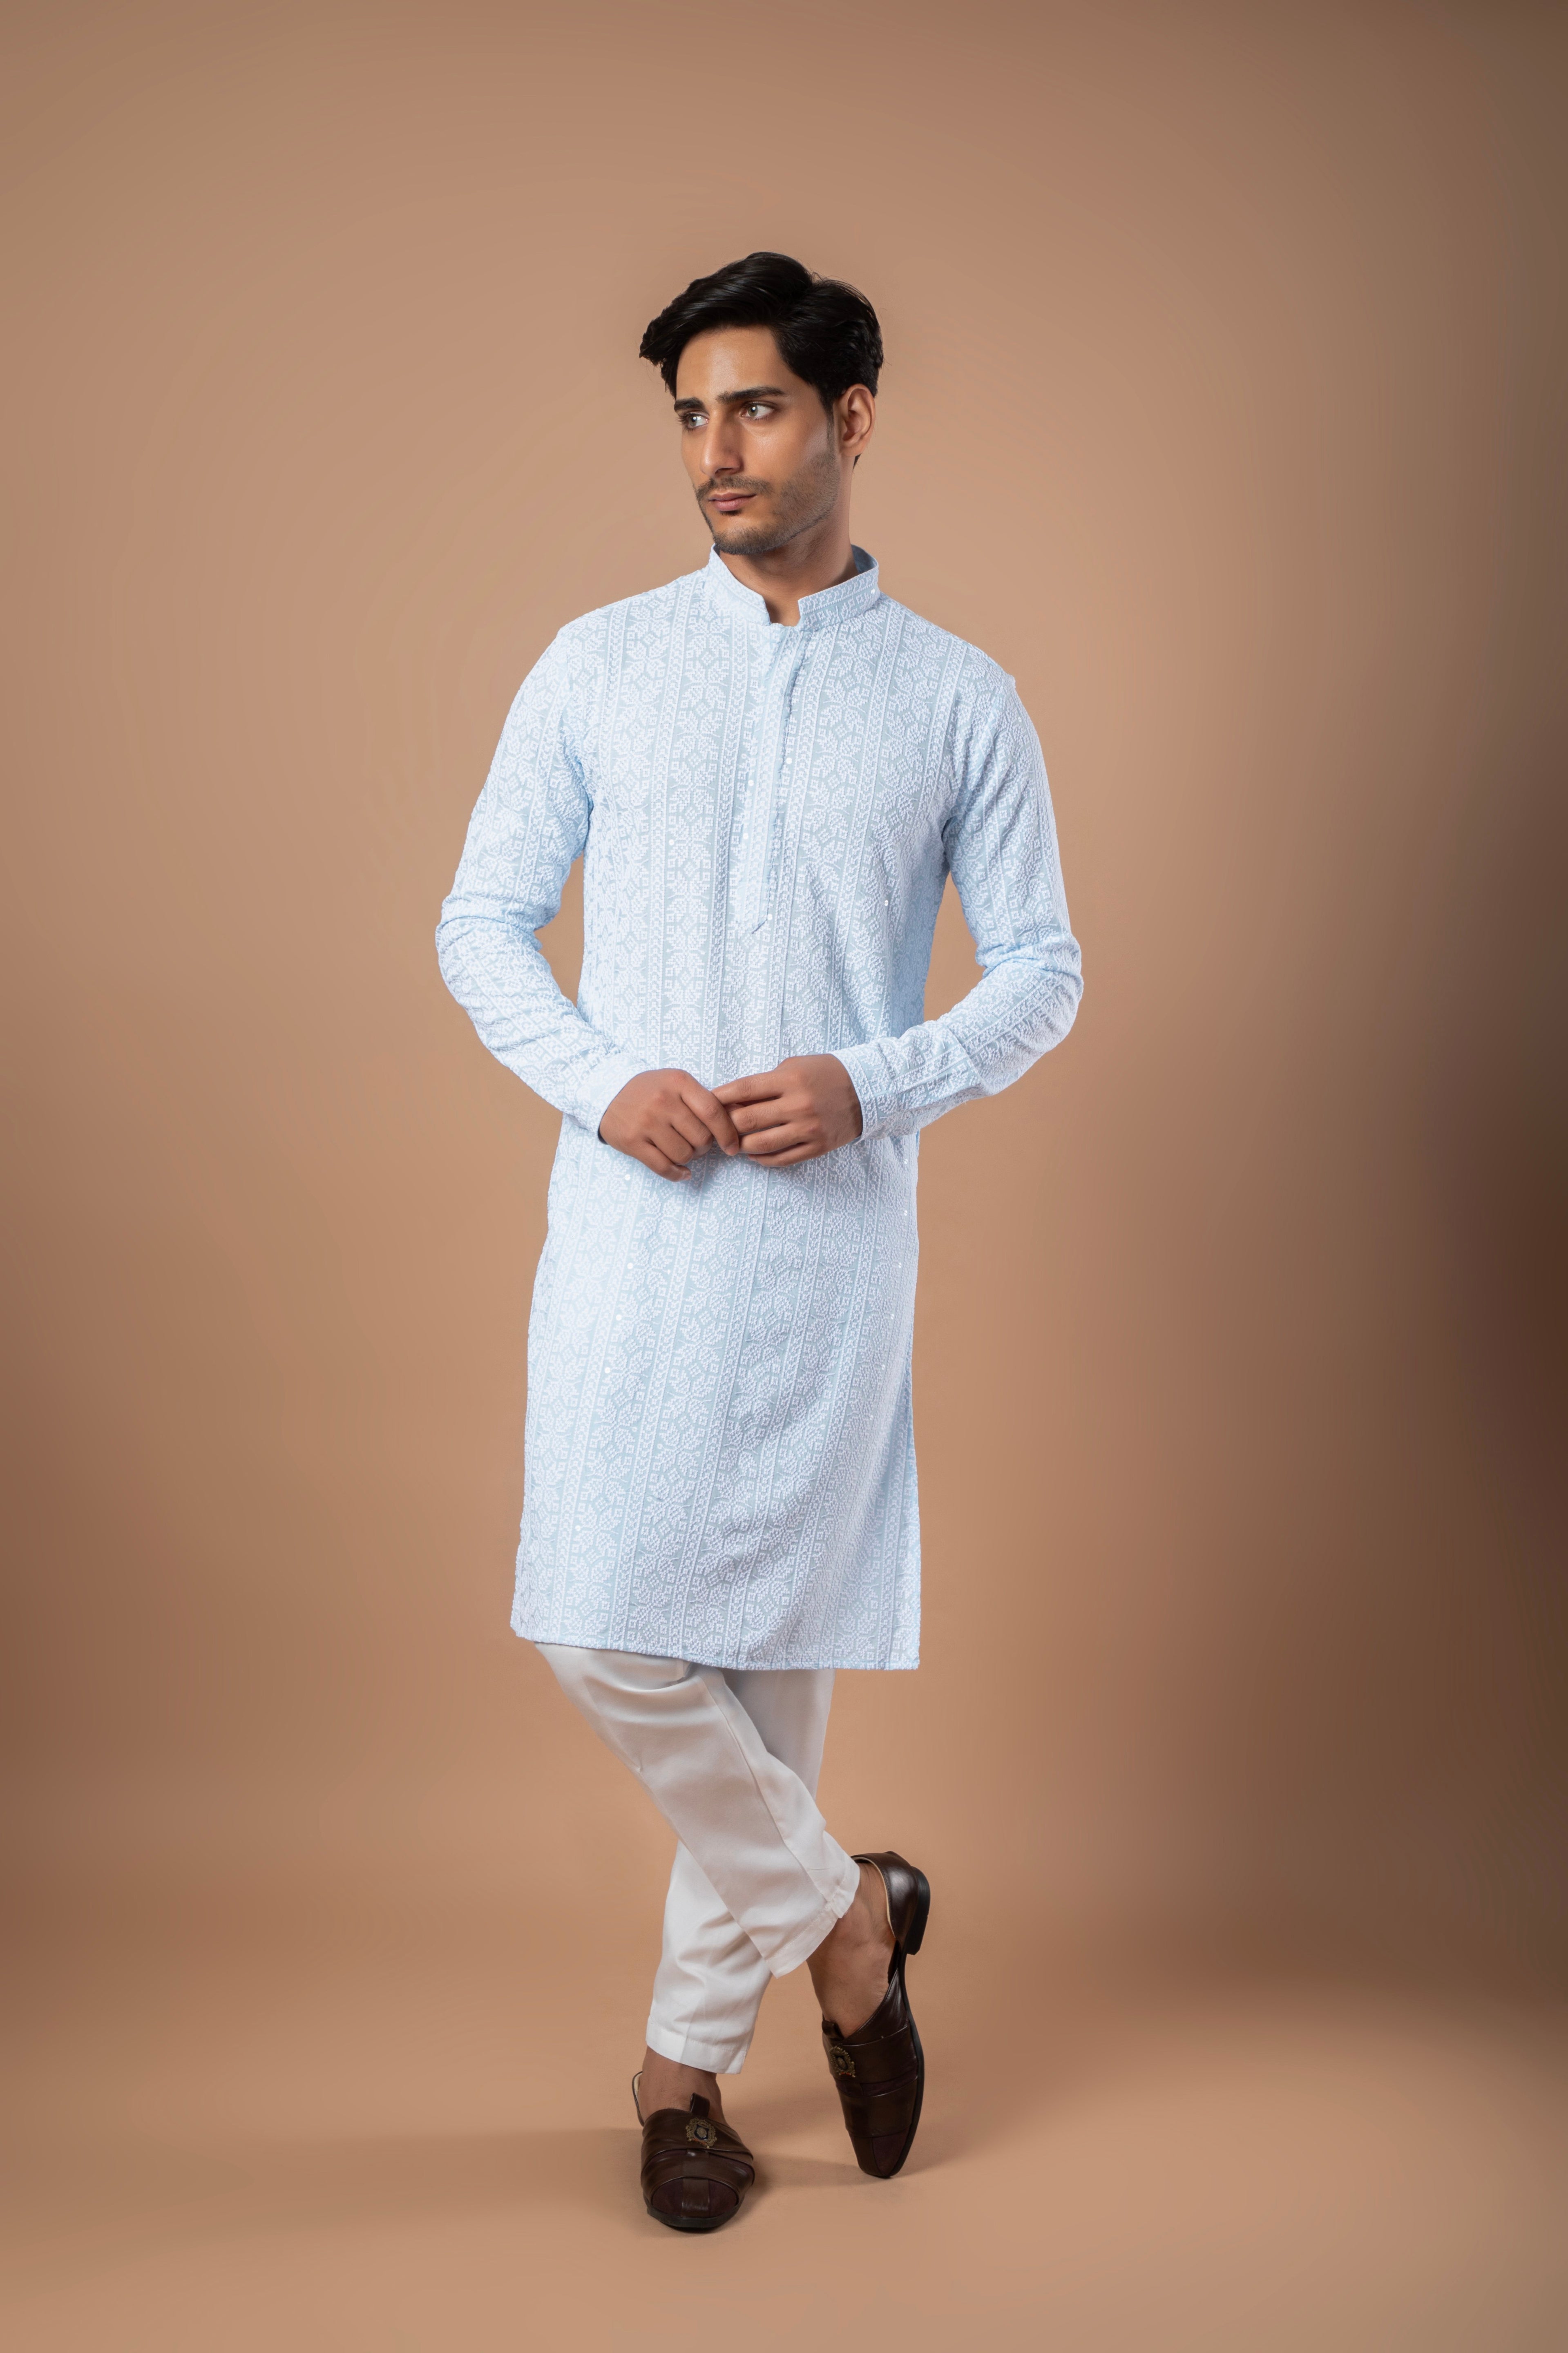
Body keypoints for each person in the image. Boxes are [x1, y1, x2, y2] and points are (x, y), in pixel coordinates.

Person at [437, 252, 1082, 2230]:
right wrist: (600, 1079)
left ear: (849, 420)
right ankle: (852, 1921)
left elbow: (1043, 970)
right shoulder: (598, 662)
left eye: (760, 408)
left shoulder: (958, 698)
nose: (719, 450)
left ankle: (681, 2082)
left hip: (824, 1249)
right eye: (695, 416)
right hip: (636, 1233)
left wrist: (877, 1083)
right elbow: (480, 923)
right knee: (600, 1623)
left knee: (775, 1677)